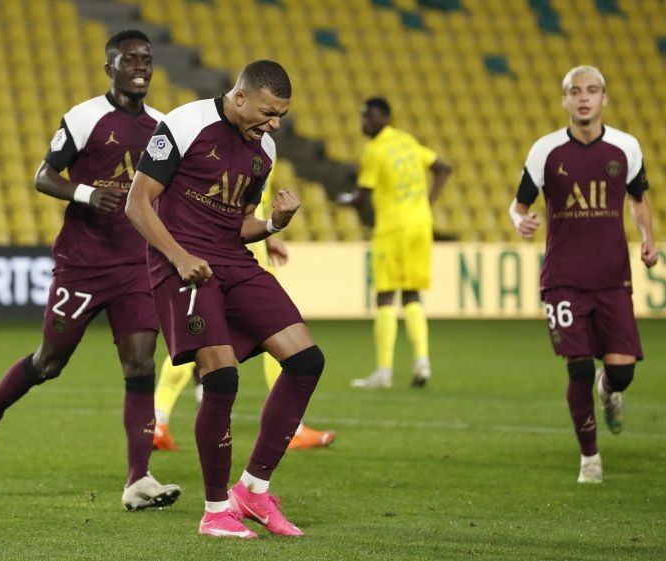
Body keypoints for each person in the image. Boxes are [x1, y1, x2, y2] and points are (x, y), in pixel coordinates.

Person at [0, 30, 181, 510]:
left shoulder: (164, 127)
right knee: (50, 362)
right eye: (130, 60)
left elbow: (171, 192)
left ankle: (138, 480)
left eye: (147, 59)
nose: (141, 67)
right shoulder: (85, 118)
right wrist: (85, 193)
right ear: (110, 68)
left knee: (141, 362)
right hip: (83, 264)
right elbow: (44, 176)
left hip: (136, 263)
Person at [126, 60, 325, 539]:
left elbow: (239, 223)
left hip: (233, 260)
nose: (273, 123)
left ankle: (253, 491)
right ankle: (215, 510)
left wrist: (276, 224)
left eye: (280, 115)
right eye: (267, 112)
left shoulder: (265, 148)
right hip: (182, 266)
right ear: (239, 97)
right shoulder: (183, 124)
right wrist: (177, 257)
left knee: (306, 360)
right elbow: (138, 202)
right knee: (221, 378)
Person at [508, 65, 658, 484]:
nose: (584, 98)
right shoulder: (546, 150)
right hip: (563, 278)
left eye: (592, 91)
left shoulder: (626, 147)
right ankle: (589, 458)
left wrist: (648, 237)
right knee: (575, 367)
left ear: (605, 98)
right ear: (565, 100)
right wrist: (517, 221)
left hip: (612, 277)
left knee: (623, 371)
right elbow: (518, 204)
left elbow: (638, 198)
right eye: (576, 92)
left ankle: (608, 390)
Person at [152, 231, 336, 451]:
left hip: (232, 259)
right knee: (280, 340)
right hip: (236, 264)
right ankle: (291, 430)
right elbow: (233, 211)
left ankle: (158, 421)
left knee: (202, 342)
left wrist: (267, 238)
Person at [337, 97, 452, 389]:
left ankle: (384, 371)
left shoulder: (374, 150)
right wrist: (427, 203)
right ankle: (422, 362)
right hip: (420, 224)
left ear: (385, 118)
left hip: (392, 227)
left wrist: (345, 199)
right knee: (412, 294)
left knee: (386, 295)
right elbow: (443, 168)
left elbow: (363, 196)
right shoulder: (408, 141)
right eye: (362, 116)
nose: (364, 122)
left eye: (369, 117)